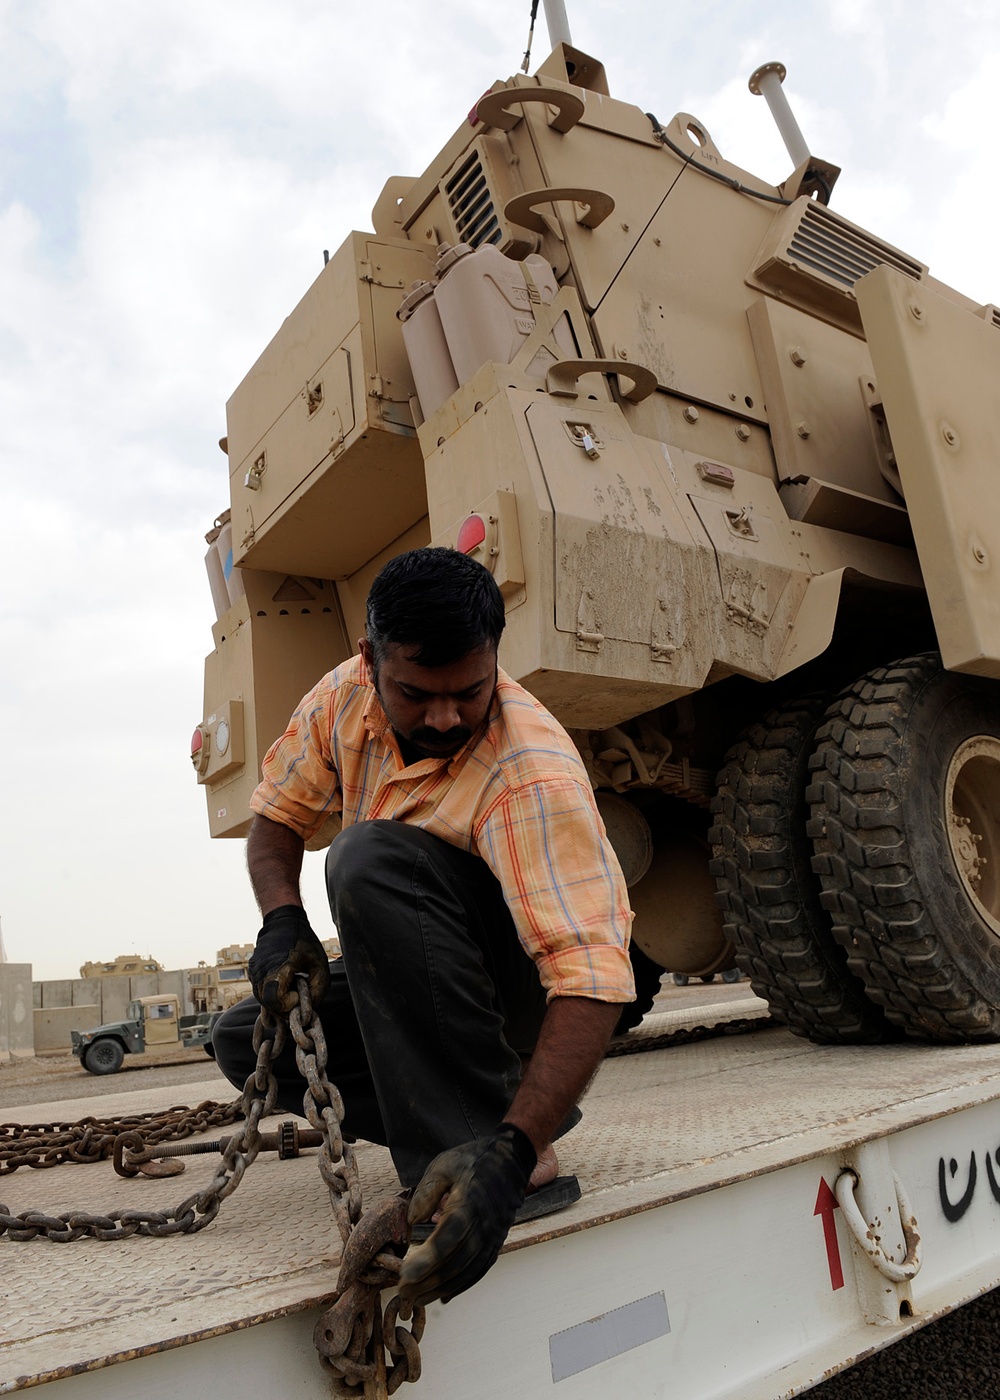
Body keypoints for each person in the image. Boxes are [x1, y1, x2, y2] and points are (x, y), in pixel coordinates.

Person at [213, 546, 635, 1307]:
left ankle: (489, 1143)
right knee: (247, 1041)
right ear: (370, 660)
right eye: (417, 694)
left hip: (519, 995)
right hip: (424, 966)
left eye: (468, 693)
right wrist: (282, 922)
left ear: (495, 661)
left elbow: (592, 976)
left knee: (366, 858)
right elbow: (276, 816)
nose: (444, 717)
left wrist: (513, 1151)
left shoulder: (530, 767)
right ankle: (486, 1117)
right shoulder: (343, 699)